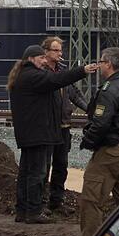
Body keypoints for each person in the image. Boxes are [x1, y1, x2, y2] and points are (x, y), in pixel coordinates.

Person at [7, 45, 94, 224]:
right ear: (31, 58)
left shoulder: (22, 75)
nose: (44, 61)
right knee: (37, 173)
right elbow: (58, 79)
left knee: (26, 172)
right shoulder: (33, 76)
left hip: (28, 133)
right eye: (41, 58)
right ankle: (34, 211)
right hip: (38, 132)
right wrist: (82, 70)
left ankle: (22, 211)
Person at [78, 47, 119, 236]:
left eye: (102, 62)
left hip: (109, 152)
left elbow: (101, 123)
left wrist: (87, 141)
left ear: (110, 64)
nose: (99, 65)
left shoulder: (109, 89)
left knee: (92, 199)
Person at [40, 36, 89, 212]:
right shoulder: (41, 72)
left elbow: (74, 93)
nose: (60, 53)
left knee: (61, 166)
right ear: (46, 51)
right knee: (44, 167)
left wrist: (88, 109)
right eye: (56, 50)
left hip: (64, 127)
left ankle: (56, 201)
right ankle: (41, 202)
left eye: (61, 50)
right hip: (48, 127)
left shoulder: (63, 71)